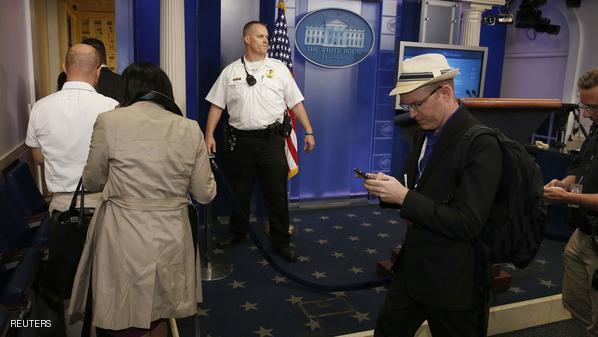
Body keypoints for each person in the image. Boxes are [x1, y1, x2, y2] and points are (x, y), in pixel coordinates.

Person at [67, 62, 217, 337]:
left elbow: (92, 181)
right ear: (166, 92)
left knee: (121, 307)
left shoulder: (109, 121)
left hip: (123, 231)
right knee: (160, 309)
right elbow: (205, 193)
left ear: (127, 90)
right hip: (172, 232)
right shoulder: (189, 128)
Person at [363, 54, 502, 337]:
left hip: (455, 281)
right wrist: (390, 191)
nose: (412, 114)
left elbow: (468, 223)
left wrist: (404, 198)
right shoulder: (422, 133)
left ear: (446, 92)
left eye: (416, 104)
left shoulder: (481, 144)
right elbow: (423, 193)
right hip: (414, 267)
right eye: (407, 106)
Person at [204, 21, 315, 262]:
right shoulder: (230, 72)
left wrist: (308, 130)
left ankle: (281, 241)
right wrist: (208, 135)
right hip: (240, 143)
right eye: (260, 36)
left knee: (276, 194)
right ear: (247, 39)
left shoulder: (280, 69)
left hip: (271, 142)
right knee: (239, 192)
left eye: (267, 37)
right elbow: (216, 105)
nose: (266, 40)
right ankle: (237, 233)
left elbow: (295, 102)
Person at [26, 43, 118, 212]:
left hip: (61, 207)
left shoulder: (40, 107)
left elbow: (39, 158)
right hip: (104, 204)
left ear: (64, 67)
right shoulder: (112, 107)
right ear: (98, 71)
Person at [543, 67, 598, 337]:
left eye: (592, 107)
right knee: (575, 301)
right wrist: (565, 183)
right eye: (583, 105)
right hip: (583, 232)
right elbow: (578, 167)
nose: (586, 114)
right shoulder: (597, 130)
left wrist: (567, 197)